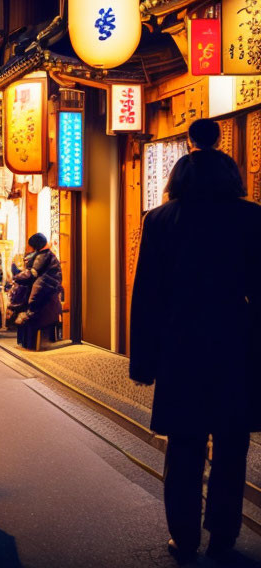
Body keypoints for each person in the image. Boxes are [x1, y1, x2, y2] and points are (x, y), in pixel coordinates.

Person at [130, 130, 261, 563]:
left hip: (179, 345)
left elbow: (147, 295)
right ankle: (223, 533)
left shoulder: (161, 219)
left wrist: (143, 361)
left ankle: (183, 535)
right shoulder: (252, 218)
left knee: (184, 445)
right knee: (231, 443)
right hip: (235, 345)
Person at [13, 233, 62, 350]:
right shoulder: (47, 254)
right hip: (49, 295)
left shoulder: (43, 256)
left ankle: (30, 343)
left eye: (31, 246)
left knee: (28, 312)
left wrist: (16, 276)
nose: (29, 249)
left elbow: (32, 273)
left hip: (42, 296)